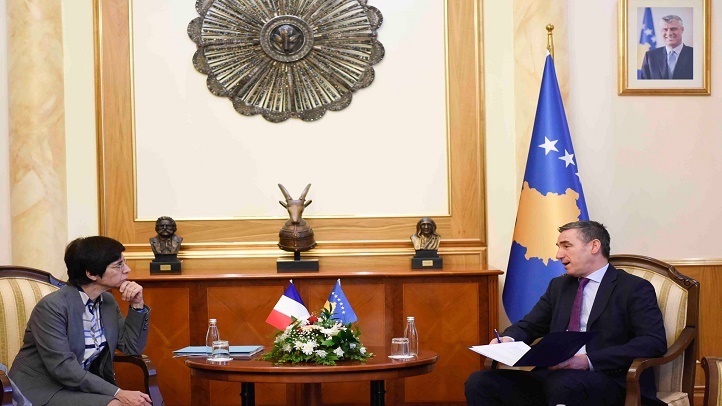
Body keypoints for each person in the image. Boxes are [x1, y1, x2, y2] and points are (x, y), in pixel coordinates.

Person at [465, 220, 667, 406]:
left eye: (566, 246)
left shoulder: (633, 288)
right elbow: (530, 325)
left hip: (608, 379)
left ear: (594, 246)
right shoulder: (559, 286)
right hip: (553, 376)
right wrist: (507, 340)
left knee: (565, 384)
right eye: (558, 247)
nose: (558, 255)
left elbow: (653, 341)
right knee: (480, 382)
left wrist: (587, 361)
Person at [9, 236, 153, 406]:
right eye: (119, 265)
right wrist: (118, 393)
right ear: (91, 273)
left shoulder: (107, 301)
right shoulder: (52, 307)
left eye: (125, 263)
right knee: (117, 404)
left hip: (77, 389)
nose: (127, 269)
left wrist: (137, 305)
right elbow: (63, 368)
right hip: (41, 390)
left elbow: (131, 347)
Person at [640, 15, 693, 79]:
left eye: (673, 29)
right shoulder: (650, 57)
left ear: (682, 30)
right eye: (665, 29)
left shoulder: (695, 54)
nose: (669, 33)